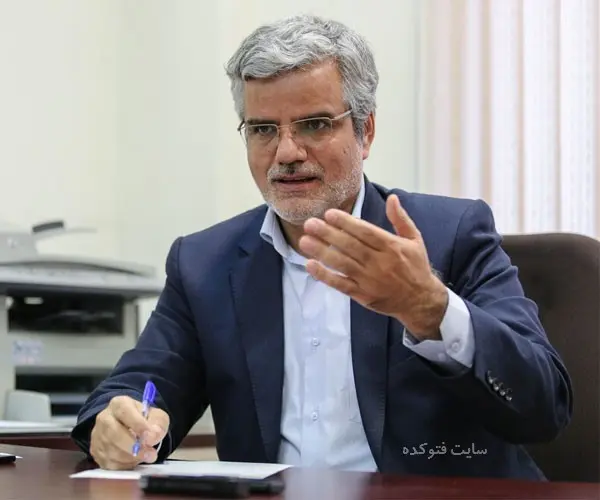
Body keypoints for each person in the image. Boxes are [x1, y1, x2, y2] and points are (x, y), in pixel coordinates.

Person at [71, 14, 572, 479]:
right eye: (263, 130)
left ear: (365, 131)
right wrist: (118, 425)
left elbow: (545, 405)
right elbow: (138, 385)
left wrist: (432, 310)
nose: (286, 152)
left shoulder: (450, 234)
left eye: (314, 124)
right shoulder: (204, 263)